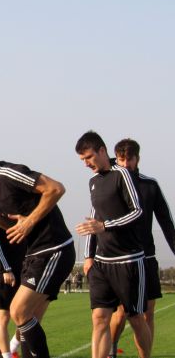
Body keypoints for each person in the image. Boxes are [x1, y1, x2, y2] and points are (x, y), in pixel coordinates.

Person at [0, 138, 73, 358]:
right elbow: (14, 228)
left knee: (19, 311)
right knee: (27, 320)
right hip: (34, 254)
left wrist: (29, 222)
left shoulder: (8, 173)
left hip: (54, 248)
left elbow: (56, 189)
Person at [75, 131, 151, 358]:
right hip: (101, 264)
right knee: (99, 318)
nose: (86, 164)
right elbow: (93, 219)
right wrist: (89, 256)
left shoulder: (122, 174)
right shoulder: (93, 182)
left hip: (128, 261)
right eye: (82, 160)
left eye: (88, 157)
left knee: (136, 317)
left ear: (101, 151)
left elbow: (137, 211)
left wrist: (105, 226)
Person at [107, 138, 175, 358]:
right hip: (122, 259)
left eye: (130, 159)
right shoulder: (110, 183)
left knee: (147, 313)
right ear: (116, 158)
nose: (126, 164)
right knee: (121, 313)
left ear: (138, 158)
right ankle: (111, 351)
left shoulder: (150, 185)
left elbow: (167, 222)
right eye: (121, 159)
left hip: (146, 257)